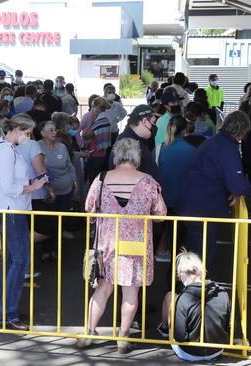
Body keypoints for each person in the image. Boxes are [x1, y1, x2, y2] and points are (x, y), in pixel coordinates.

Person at [80, 138, 167, 353]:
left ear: (115, 157)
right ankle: (123, 337)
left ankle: (88, 332)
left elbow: (89, 210)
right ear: (137, 158)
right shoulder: (148, 181)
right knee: (131, 293)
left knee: (103, 289)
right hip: (136, 245)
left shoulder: (101, 179)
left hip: (107, 244)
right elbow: (161, 214)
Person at [0, 115, 48, 331]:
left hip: (11, 209)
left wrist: (31, 185)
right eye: (28, 133)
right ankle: (7, 313)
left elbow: (9, 183)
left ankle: (5, 312)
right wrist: (32, 188)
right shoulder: (6, 151)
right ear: (17, 129)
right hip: (10, 209)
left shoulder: (7, 149)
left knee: (12, 261)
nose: (28, 137)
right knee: (18, 260)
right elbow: (7, 186)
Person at [177, 111, 251, 265]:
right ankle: (196, 287)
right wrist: (246, 190)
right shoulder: (227, 148)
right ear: (241, 132)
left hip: (194, 204)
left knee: (192, 253)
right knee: (201, 255)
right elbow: (236, 183)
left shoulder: (217, 142)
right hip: (202, 209)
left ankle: (188, 285)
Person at [158, 250, 231, 361]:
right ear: (202, 271)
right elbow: (230, 327)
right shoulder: (222, 293)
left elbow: (179, 336)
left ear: (182, 276)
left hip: (188, 353)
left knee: (170, 296)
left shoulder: (182, 299)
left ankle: (164, 329)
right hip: (216, 350)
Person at [155, 116, 198, 261]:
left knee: (158, 235)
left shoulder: (159, 148)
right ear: (185, 130)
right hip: (184, 202)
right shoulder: (192, 150)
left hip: (161, 201)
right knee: (180, 243)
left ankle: (159, 254)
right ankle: (177, 274)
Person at [38, 120, 78, 260]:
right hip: (47, 191)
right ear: (42, 133)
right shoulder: (37, 147)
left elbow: (70, 166)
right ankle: (46, 250)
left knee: (60, 219)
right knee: (48, 221)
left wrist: (76, 183)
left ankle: (55, 248)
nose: (54, 132)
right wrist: (48, 187)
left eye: (55, 130)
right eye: (50, 130)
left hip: (66, 190)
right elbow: (37, 170)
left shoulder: (62, 147)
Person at [110, 105, 161, 182]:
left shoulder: (134, 139)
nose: (155, 127)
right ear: (144, 122)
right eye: (153, 123)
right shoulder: (128, 146)